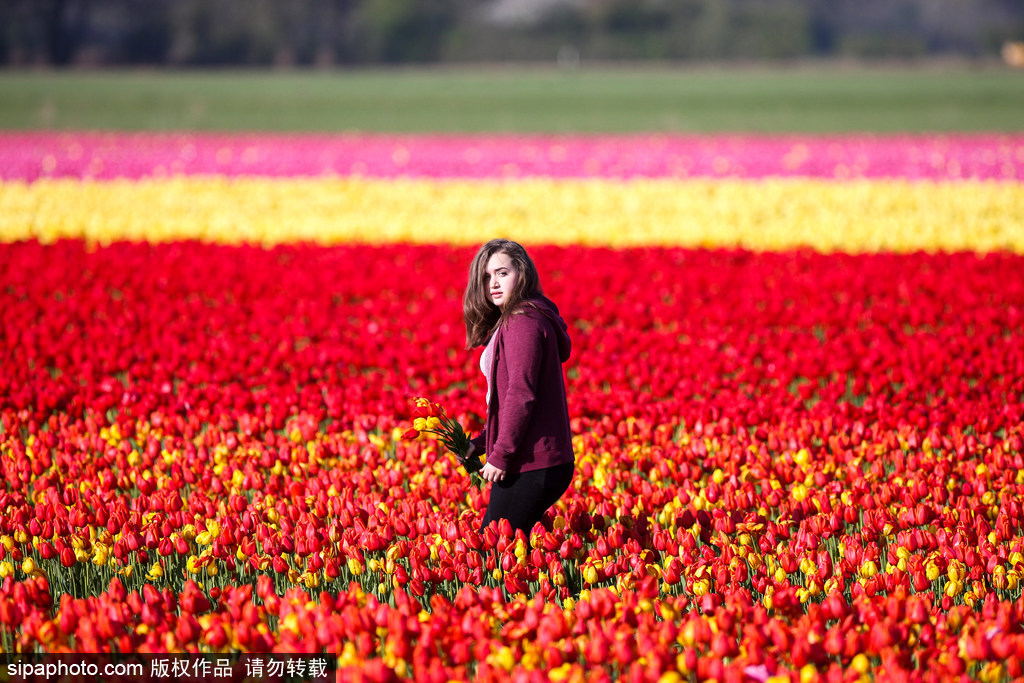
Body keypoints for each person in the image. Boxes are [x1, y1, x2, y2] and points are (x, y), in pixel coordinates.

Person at [462, 238, 575, 540]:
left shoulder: (522, 321)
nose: (493, 284)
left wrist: (500, 455)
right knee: (515, 550)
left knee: (495, 549)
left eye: (502, 273)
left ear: (521, 274)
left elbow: (521, 394)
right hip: (535, 458)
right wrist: (484, 441)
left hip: (532, 462)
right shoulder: (519, 318)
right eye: (486, 277)